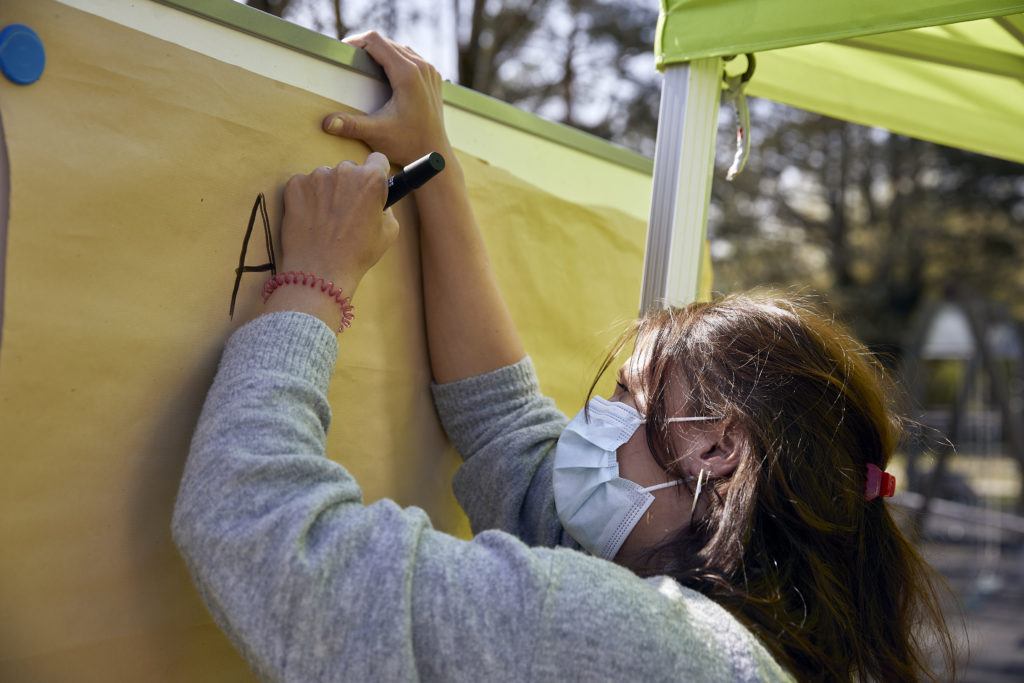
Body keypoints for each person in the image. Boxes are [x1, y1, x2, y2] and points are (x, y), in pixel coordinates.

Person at [171, 31, 956, 682]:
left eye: (628, 395)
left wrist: (312, 285)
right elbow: (508, 429)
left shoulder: (644, 643)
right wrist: (432, 165)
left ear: (717, 444)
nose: (596, 420)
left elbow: (259, 537)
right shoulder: (753, 633)